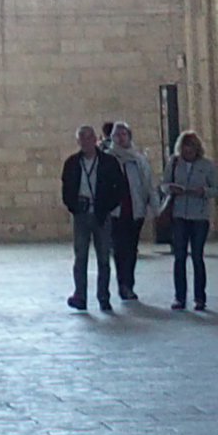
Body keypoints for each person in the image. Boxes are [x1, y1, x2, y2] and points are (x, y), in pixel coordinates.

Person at [60, 122, 131, 310]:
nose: (85, 141)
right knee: (80, 257)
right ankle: (80, 296)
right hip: (81, 215)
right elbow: (66, 189)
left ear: (95, 139)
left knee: (103, 258)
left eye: (88, 137)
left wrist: (107, 206)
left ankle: (104, 297)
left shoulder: (108, 162)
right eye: (81, 138)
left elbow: (119, 187)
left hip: (101, 213)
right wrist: (74, 206)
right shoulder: (72, 163)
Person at [160, 131, 218, 311]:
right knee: (179, 257)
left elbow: (216, 189)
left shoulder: (207, 165)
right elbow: (163, 185)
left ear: (197, 148)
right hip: (179, 214)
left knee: (197, 257)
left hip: (199, 216)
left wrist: (203, 192)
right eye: (185, 147)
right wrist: (171, 188)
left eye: (191, 147)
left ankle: (200, 298)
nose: (188, 151)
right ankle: (179, 297)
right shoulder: (173, 163)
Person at [98, 120, 153, 301]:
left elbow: (147, 183)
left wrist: (153, 204)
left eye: (124, 134)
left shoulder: (138, 159)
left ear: (129, 136)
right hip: (116, 211)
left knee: (131, 249)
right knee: (119, 249)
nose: (120, 138)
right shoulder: (107, 159)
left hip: (135, 209)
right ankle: (124, 284)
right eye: (117, 134)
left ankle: (129, 283)